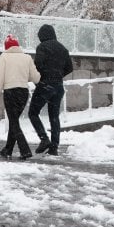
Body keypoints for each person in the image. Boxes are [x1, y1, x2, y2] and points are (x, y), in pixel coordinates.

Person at [0, 34, 40, 160]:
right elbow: (36, 78)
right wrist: (23, 76)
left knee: (13, 121)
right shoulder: (27, 58)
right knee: (14, 121)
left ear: (6, 47)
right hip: (23, 93)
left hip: (10, 92)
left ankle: (25, 150)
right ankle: (8, 149)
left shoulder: (4, 57)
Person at [27, 24, 74, 156]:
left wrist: (45, 78)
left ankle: (44, 139)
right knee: (54, 117)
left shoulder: (42, 47)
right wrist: (58, 75)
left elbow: (38, 66)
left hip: (45, 86)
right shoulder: (63, 48)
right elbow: (69, 68)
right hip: (58, 87)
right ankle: (54, 147)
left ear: (42, 36)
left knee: (33, 113)